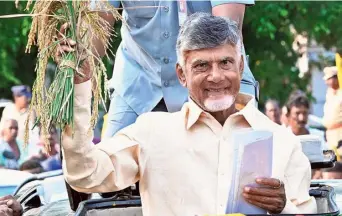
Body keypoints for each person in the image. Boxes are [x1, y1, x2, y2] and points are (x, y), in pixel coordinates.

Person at [62, 14, 316, 214]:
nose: (216, 76)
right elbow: (85, 174)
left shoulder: (280, 140)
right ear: (182, 75)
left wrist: (283, 208)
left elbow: (306, 212)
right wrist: (79, 86)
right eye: (201, 65)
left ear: (241, 67)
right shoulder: (151, 133)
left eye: (225, 63)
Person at [85, 0, 259, 138]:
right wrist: (77, 52)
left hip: (212, 81)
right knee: (107, 167)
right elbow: (98, 34)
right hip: (139, 83)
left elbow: (226, 34)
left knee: (238, 164)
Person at [0, 85, 39, 156]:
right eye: (25, 97)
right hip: (8, 147)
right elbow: (2, 130)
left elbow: (35, 132)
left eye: (28, 97)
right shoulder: (8, 109)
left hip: (26, 148)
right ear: (16, 97)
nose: (28, 99)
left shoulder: (32, 110)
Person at [322, 66, 342, 151]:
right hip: (330, 135)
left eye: (329, 79)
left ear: (336, 78)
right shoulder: (329, 93)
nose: (326, 82)